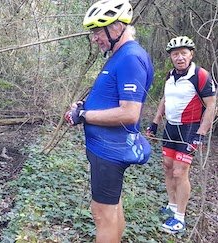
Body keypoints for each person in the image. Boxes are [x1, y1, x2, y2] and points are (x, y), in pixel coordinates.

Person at [64, 0, 154, 242]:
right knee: (112, 208)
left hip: (110, 150)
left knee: (102, 213)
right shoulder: (120, 55)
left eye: (97, 31)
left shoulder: (130, 58)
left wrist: (83, 116)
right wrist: (85, 107)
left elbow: (129, 113)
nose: (94, 38)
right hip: (105, 148)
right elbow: (112, 98)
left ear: (116, 27)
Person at [146, 36, 216, 234]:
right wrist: (154, 123)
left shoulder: (200, 75)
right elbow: (164, 99)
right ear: (171, 57)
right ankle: (172, 205)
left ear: (191, 54)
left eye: (183, 53)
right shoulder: (170, 76)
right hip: (171, 127)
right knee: (168, 167)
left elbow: (212, 105)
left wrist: (200, 134)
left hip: (190, 129)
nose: (179, 57)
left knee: (179, 172)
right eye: (175, 54)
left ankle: (180, 218)